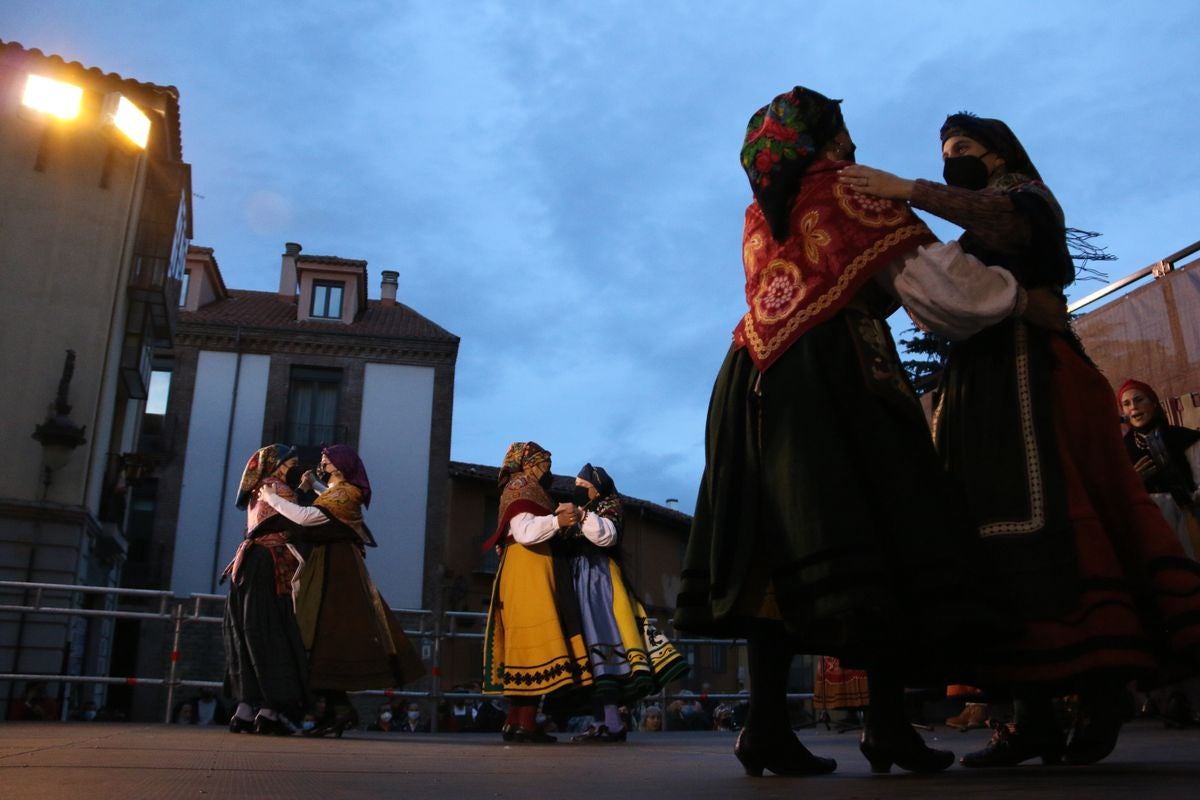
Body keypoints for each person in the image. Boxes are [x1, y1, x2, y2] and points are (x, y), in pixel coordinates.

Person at [675, 85, 1029, 777]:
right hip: (833, 372)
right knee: (886, 530)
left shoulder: (761, 208)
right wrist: (1014, 293)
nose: (853, 145)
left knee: (777, 553)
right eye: (842, 131)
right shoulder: (849, 186)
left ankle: (768, 726)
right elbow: (945, 295)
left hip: (750, 375)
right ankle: (888, 727)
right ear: (822, 140)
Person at [841, 113, 1200, 767]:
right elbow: (921, 284)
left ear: (999, 153)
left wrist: (910, 189)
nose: (953, 159)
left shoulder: (1026, 201)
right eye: (945, 153)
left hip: (1041, 372)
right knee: (988, 534)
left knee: (1066, 520)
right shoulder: (971, 234)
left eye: (964, 149)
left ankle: (1102, 693)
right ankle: (1029, 718)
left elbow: (1005, 222)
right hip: (979, 382)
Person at [259, 444, 425, 738]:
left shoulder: (347, 493)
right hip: (329, 565)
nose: (323, 460)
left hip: (337, 571)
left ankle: (335, 712)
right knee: (320, 637)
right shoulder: (340, 492)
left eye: (328, 458)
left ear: (341, 464)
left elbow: (311, 517)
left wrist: (273, 498)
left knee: (325, 633)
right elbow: (329, 504)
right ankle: (337, 711)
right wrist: (316, 487)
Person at [560, 463, 689, 743]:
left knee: (603, 643)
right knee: (588, 654)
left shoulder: (610, 507)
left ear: (597, 486)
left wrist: (581, 515)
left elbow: (606, 536)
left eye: (583, 486)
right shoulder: (584, 512)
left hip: (600, 581)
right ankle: (601, 722)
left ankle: (613, 723)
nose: (578, 491)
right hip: (578, 581)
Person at [481, 442, 590, 743]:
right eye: (545, 463)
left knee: (526, 645)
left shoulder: (527, 488)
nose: (549, 470)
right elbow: (526, 531)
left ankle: (515, 722)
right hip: (529, 570)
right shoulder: (522, 486)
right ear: (529, 464)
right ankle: (525, 723)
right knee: (535, 644)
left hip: (527, 570)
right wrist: (557, 521)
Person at [222, 444, 308, 735]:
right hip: (268, 565)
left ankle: (245, 710)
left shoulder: (257, 490)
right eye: (288, 461)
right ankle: (270, 709)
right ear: (275, 464)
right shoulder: (279, 489)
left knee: (246, 629)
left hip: (246, 563)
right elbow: (300, 521)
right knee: (271, 629)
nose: (293, 466)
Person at [1118, 379, 1200, 558]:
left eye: (1139, 400)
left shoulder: (1184, 438)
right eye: (1126, 403)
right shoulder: (1120, 452)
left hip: (1190, 517)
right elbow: (1115, 496)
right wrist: (1133, 482)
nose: (1133, 407)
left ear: (1153, 403)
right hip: (1148, 523)